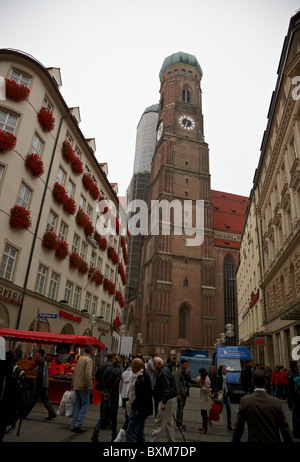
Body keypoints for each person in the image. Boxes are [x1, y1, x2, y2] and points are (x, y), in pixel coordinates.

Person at [232, 369, 294, 442]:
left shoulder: (245, 401)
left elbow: (238, 428)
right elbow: (285, 429)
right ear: (266, 382)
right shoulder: (277, 403)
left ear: (252, 382)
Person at [91, 355, 122, 442]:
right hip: (113, 395)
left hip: (105, 393)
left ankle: (95, 432)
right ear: (119, 362)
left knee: (103, 415)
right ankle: (114, 435)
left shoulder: (107, 369)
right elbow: (115, 383)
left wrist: (106, 392)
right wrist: (110, 392)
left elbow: (103, 381)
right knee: (114, 415)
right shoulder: (118, 370)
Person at [149, 356, 177, 442]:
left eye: (154, 365)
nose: (153, 367)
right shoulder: (164, 370)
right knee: (168, 423)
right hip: (168, 399)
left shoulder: (163, 372)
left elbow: (167, 388)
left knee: (159, 423)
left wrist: (164, 402)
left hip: (166, 400)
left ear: (159, 364)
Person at [126, 358, 153, 442]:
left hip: (138, 409)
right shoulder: (141, 375)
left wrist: (139, 409)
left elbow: (142, 394)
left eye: (132, 366)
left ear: (136, 367)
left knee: (131, 433)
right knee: (139, 433)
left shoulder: (141, 376)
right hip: (140, 409)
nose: (131, 368)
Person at [24, 349, 56, 421]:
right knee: (45, 399)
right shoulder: (42, 362)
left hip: (40, 384)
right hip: (43, 384)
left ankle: (24, 413)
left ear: (40, 354)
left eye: (37, 353)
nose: (36, 354)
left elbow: (41, 374)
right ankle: (52, 413)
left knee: (32, 399)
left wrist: (37, 382)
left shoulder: (42, 362)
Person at [70, 345, 95, 433]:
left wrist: (73, 383)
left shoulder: (80, 358)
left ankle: (73, 424)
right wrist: (90, 386)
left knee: (77, 404)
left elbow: (75, 372)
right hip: (83, 386)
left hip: (77, 384)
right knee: (84, 404)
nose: (94, 351)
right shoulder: (89, 360)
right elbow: (88, 375)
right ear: (91, 351)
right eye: (93, 350)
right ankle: (78, 424)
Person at [174, 359, 191, 431]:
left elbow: (188, 380)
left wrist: (189, 374)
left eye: (187, 364)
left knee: (182, 408)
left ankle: (180, 422)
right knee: (179, 408)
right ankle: (178, 423)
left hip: (185, 392)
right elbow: (177, 383)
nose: (186, 366)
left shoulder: (185, 372)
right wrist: (178, 393)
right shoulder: (178, 372)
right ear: (181, 364)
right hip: (180, 393)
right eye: (185, 364)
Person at [214, 365, 233, 430]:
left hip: (226, 394)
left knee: (229, 409)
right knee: (219, 410)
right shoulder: (218, 377)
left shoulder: (225, 377)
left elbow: (226, 385)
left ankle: (229, 425)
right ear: (221, 370)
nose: (225, 370)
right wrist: (215, 395)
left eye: (225, 369)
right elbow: (216, 386)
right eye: (224, 369)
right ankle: (210, 418)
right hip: (220, 395)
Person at [196, 367, 212, 434]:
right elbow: (196, 380)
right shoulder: (204, 378)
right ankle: (203, 427)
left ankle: (205, 429)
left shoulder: (207, 379)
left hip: (206, 399)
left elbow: (207, 390)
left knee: (204, 414)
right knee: (203, 413)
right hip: (203, 398)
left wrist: (201, 386)